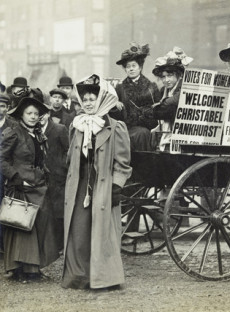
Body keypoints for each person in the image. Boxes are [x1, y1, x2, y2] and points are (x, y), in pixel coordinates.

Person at [62, 74, 132, 289]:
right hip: (81, 185)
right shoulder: (77, 125)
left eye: (93, 98)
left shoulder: (115, 127)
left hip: (104, 185)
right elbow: (69, 156)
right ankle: (80, 276)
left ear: (102, 99)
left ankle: (105, 278)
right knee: (79, 230)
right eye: (86, 100)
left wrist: (116, 186)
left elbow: (123, 162)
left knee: (103, 232)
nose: (89, 103)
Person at [0, 97, 59, 282]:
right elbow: (1, 159)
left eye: (36, 113)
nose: (33, 117)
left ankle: (34, 268)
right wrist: (16, 178)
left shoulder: (39, 134)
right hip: (21, 186)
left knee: (38, 225)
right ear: (21, 115)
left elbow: (40, 160)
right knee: (22, 228)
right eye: (29, 113)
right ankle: (20, 270)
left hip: (38, 185)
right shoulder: (13, 132)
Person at [115, 42, 161, 151]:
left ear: (140, 67)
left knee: (142, 134)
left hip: (148, 128)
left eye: (134, 66)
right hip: (127, 128)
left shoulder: (151, 87)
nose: (131, 69)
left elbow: (158, 110)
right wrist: (115, 102)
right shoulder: (120, 88)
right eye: (128, 67)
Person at [151, 47, 193, 151]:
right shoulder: (163, 91)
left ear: (179, 75)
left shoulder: (184, 87)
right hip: (167, 132)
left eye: (170, 76)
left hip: (183, 134)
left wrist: (159, 107)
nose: (166, 80)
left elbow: (170, 104)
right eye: (163, 77)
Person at [40, 112, 69, 251]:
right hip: (41, 176)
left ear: (48, 113)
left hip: (58, 176)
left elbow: (67, 150)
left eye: (42, 113)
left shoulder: (59, 129)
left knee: (58, 210)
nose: (39, 116)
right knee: (45, 208)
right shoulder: (33, 129)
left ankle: (60, 244)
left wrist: (62, 167)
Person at [0, 94, 17, 253]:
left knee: (6, 208)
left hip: (5, 174)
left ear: (7, 108)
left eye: (3, 106)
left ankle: (4, 246)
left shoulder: (12, 126)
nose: (0, 109)